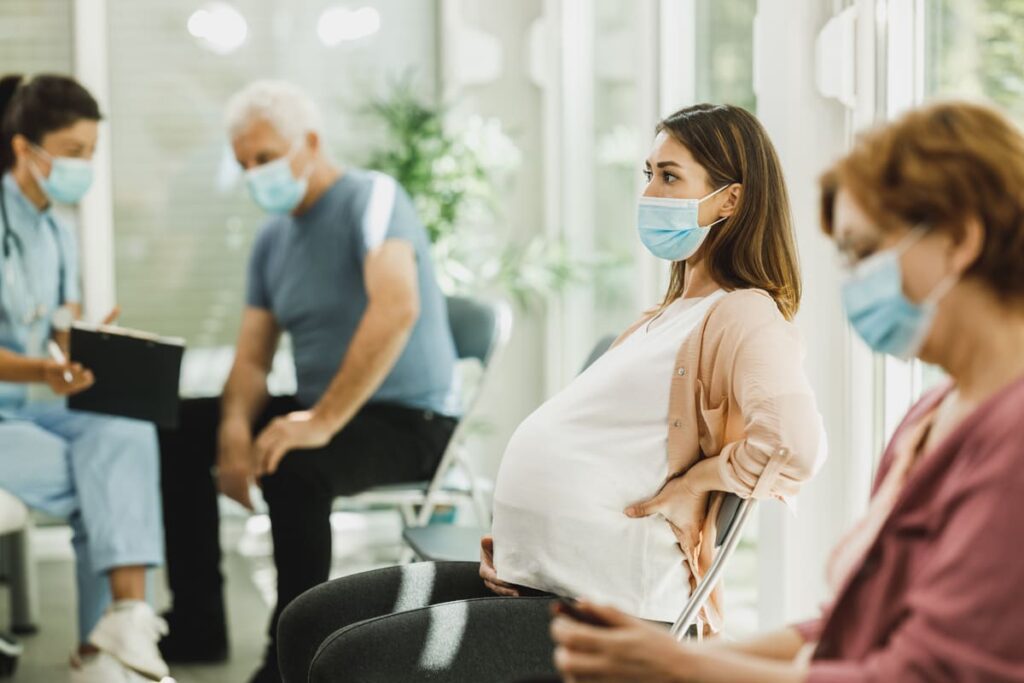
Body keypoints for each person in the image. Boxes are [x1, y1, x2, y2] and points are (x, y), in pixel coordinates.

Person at [276, 103, 827, 683]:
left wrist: (698, 481)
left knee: (348, 664)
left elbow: (793, 444)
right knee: (308, 620)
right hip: (534, 580)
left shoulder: (744, 313)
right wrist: (520, 542)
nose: (650, 192)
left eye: (670, 176)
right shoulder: (663, 317)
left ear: (731, 201)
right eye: (649, 174)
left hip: (611, 611)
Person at [550, 100, 1024, 683]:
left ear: (959, 240)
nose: (851, 280)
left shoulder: (1012, 439)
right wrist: (682, 660)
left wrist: (681, 669)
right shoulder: (932, 413)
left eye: (863, 251)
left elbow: (927, 674)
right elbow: (851, 627)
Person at [156, 80, 460, 683]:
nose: (254, 174)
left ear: (311, 142)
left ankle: (292, 658)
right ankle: (197, 625)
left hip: (408, 418)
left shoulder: (373, 198)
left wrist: (316, 423)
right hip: (325, 405)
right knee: (180, 428)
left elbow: (396, 308)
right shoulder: (272, 239)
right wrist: (236, 430)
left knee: (295, 466)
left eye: (265, 158)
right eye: (244, 164)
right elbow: (250, 360)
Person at [0, 74, 168, 682]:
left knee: (124, 431)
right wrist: (47, 368)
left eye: (91, 153)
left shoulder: (57, 230)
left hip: (30, 404)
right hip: (8, 410)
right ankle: (101, 660)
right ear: (25, 149)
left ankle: (123, 619)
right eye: (73, 153)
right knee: (105, 486)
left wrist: (95, 343)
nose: (85, 166)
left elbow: (59, 329)